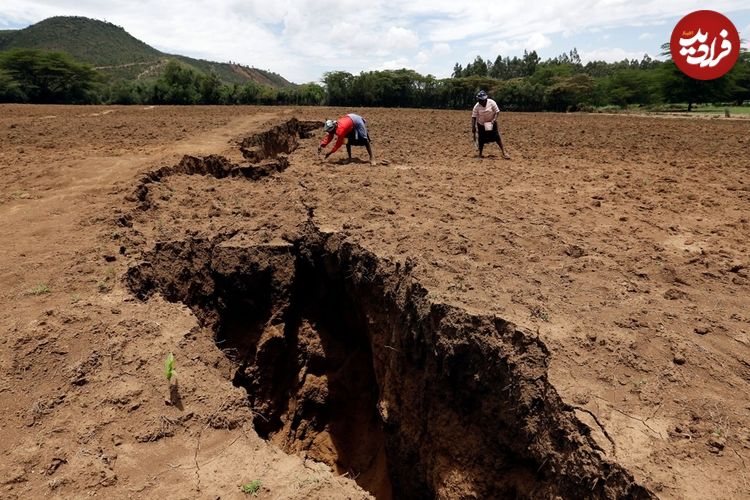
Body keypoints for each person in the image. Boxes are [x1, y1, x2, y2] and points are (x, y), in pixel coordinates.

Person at [471, 90, 510, 159]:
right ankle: (480, 154)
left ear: (485, 99)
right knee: (481, 139)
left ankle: (504, 152)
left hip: (491, 123)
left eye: (482, 100)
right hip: (481, 124)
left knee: (497, 137)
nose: (480, 101)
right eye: (479, 100)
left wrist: (494, 120)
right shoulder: (476, 106)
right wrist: (473, 126)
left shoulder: (491, 102)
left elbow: (497, 112)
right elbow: (474, 117)